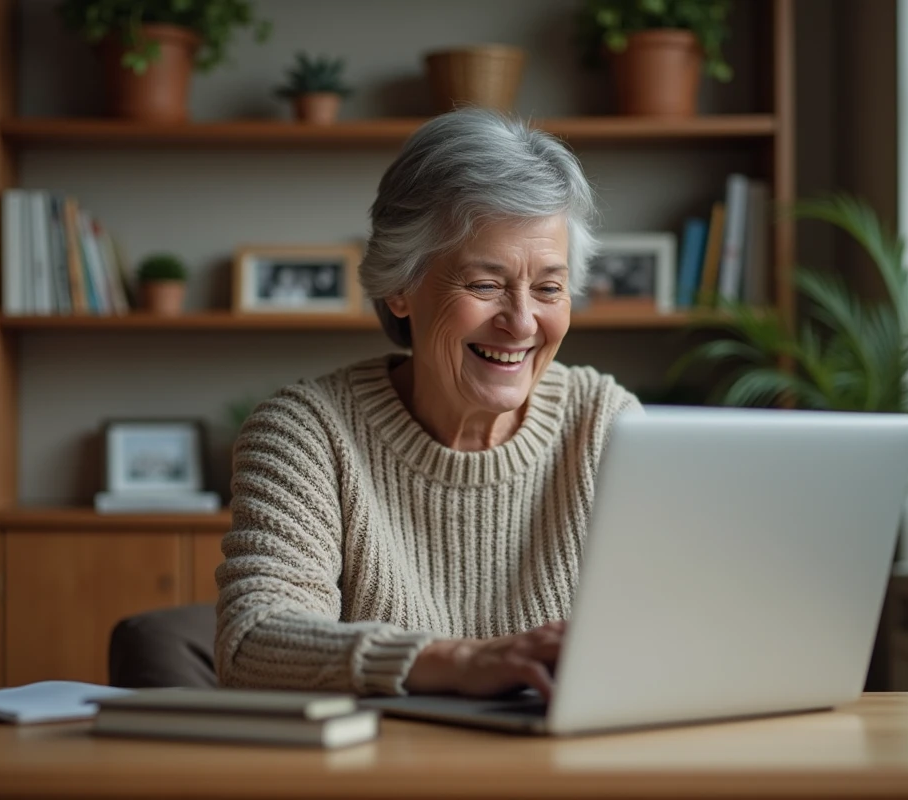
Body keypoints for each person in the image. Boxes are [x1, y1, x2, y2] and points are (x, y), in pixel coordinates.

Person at [215, 108, 641, 699]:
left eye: (548, 287)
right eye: (485, 284)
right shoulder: (307, 432)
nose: (521, 322)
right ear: (400, 286)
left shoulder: (607, 425)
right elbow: (254, 642)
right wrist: (461, 661)